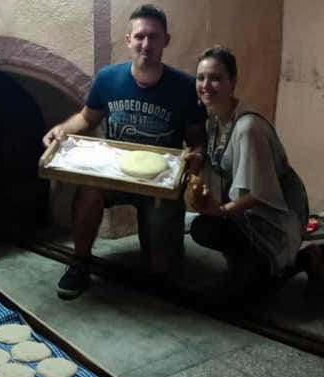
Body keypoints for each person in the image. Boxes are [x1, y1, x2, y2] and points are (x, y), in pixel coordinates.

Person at [43, 4, 206, 300]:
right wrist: (62, 129)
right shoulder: (108, 79)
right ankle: (80, 262)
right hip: (114, 174)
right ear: (129, 39)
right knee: (88, 189)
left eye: (154, 37)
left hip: (160, 183)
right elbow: (87, 117)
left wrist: (195, 163)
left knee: (163, 274)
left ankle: (164, 249)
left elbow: (197, 140)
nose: (147, 44)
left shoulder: (185, 87)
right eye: (140, 36)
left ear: (165, 41)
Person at [184, 46, 324, 300]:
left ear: (232, 83)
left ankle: (310, 257)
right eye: (201, 78)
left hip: (275, 215)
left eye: (216, 78)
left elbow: (260, 193)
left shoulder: (248, 128)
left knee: (242, 300)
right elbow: (212, 161)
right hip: (246, 212)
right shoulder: (214, 122)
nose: (206, 85)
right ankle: (246, 265)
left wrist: (221, 211)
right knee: (203, 228)